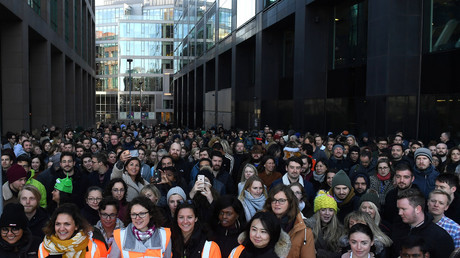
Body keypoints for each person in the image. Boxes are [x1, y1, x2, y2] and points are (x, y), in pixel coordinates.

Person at [391, 188, 454, 258]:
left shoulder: (440, 237)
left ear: (418, 209)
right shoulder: (397, 227)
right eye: (399, 209)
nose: (400, 213)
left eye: (403, 209)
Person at [264, 184, 316, 258]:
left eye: (281, 200)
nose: (277, 203)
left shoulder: (303, 230)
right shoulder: (260, 221)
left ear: (290, 202)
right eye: (274, 200)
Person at [39, 203, 105, 258]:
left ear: (76, 226)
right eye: (58, 224)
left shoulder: (92, 247)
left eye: (67, 224)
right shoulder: (44, 246)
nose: (61, 228)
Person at [305, 190, 344, 258]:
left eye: (331, 210)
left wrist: (319, 252)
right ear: (318, 211)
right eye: (323, 210)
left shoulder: (340, 230)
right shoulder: (307, 227)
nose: (327, 213)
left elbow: (341, 255)